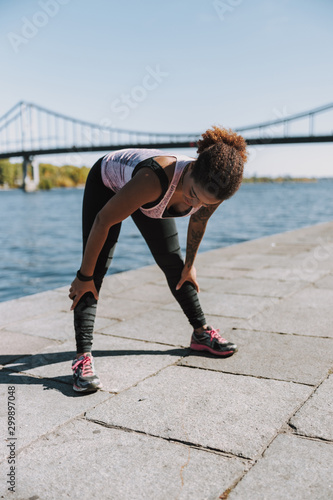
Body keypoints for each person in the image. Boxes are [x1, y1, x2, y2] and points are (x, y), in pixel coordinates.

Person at [69, 126, 248, 392]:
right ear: (192, 169)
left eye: (204, 201)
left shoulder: (215, 186)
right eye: (193, 194)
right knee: (94, 271)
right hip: (110, 183)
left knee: (174, 265)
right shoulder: (154, 180)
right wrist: (83, 276)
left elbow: (199, 221)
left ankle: (201, 334)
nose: (194, 202)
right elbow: (103, 220)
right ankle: (82, 359)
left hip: (150, 197)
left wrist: (190, 266)